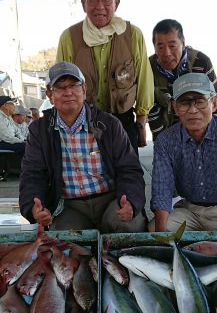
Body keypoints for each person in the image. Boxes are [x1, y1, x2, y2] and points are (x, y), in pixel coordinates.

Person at [19, 61, 146, 233]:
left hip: (110, 200)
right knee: (62, 239)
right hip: (71, 207)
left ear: (84, 90)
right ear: (50, 95)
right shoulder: (39, 130)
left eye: (74, 85)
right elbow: (32, 175)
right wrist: (34, 208)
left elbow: (130, 168)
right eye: (60, 88)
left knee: (130, 224)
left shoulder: (109, 124)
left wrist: (130, 200)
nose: (68, 92)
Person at [56, 0, 153, 153]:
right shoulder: (69, 37)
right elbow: (60, 85)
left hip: (123, 121)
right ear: (84, 4)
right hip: (82, 123)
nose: (99, 6)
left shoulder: (133, 35)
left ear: (116, 3)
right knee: (87, 179)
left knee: (128, 176)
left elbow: (144, 79)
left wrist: (141, 121)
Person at [149, 73, 217, 232]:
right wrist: (162, 239)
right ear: (174, 107)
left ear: (214, 103)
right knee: (155, 228)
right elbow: (162, 191)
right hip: (190, 210)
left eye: (200, 101)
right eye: (184, 103)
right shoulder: (165, 141)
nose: (193, 110)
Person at [148, 19, 217, 140]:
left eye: (172, 46)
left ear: (183, 43)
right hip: (167, 132)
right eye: (160, 47)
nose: (167, 53)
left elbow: (214, 103)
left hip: (200, 132)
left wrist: (211, 138)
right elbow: (151, 109)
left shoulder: (201, 62)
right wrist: (161, 141)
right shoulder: (148, 68)